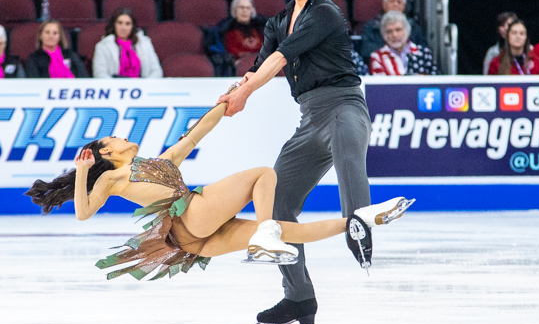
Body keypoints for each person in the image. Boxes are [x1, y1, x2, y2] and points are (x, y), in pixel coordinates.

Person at [25, 100, 410, 286]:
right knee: (263, 175)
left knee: (290, 229)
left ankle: (359, 220)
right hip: (190, 214)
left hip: (195, 240)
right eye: (115, 136)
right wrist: (81, 174)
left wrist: (227, 102)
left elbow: (196, 132)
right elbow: (83, 213)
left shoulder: (161, 162)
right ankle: (266, 235)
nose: (123, 135)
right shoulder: (115, 176)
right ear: (106, 152)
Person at [218, 0, 379, 324]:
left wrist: (246, 92)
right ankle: (299, 297)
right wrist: (240, 87)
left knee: (347, 157)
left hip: (344, 107)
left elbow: (280, 58)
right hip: (309, 119)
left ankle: (358, 225)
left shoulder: (326, 13)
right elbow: (261, 66)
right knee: (277, 203)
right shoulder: (278, 20)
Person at [358, 0, 426, 61]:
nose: (395, 4)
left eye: (399, 2)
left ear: (404, 6)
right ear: (384, 4)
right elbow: (366, 51)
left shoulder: (414, 27)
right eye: (392, 1)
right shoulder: (371, 26)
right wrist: (393, 52)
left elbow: (422, 50)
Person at [92, 8, 162, 78]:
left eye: (127, 24)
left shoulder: (145, 43)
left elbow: (157, 71)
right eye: (120, 23)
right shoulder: (103, 46)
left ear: (132, 26)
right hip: (114, 87)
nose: (123, 27)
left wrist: (145, 86)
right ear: (114, 25)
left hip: (143, 86)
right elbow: (100, 73)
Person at [207, 0, 265, 75]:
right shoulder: (224, 29)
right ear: (235, 9)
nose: (244, 11)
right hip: (234, 70)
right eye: (241, 7)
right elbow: (221, 52)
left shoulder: (261, 28)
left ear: (252, 10)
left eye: (248, 8)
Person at [369, 11, 438, 76]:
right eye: (389, 31)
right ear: (384, 35)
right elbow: (379, 86)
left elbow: (436, 80)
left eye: (398, 30)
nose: (394, 35)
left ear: (407, 31)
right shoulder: (377, 57)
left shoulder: (423, 53)